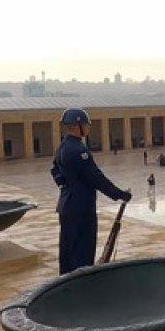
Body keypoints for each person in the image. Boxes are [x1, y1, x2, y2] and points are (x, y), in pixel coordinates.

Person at [50, 108, 131, 274]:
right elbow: (96, 178)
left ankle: (66, 283)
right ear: (78, 125)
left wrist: (64, 185)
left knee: (67, 251)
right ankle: (81, 286)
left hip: (67, 205)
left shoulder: (63, 146)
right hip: (81, 208)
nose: (88, 128)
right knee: (83, 252)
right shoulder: (79, 150)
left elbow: (55, 170)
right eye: (86, 124)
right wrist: (119, 194)